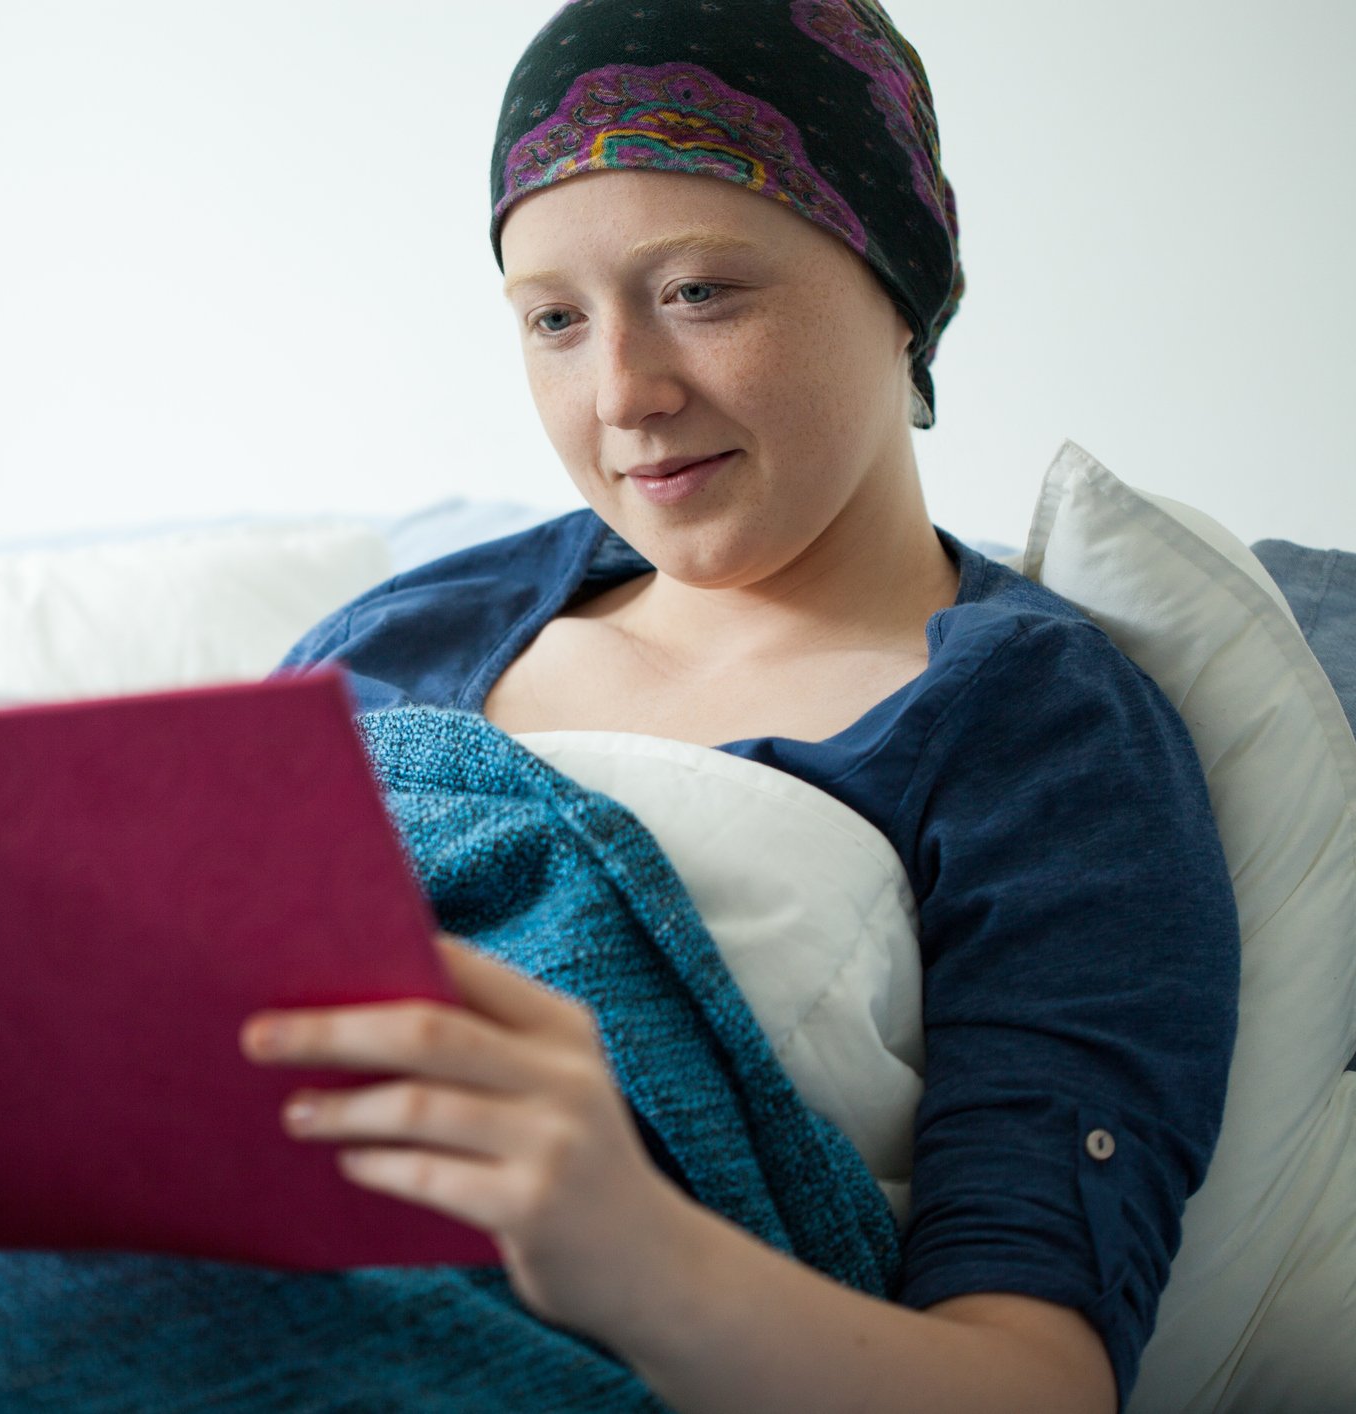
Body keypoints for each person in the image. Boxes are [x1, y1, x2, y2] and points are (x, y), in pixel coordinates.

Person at [237, 2, 1239, 1411]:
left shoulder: (1040, 738)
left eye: (701, 290)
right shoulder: (400, 635)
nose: (625, 393)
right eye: (553, 321)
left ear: (899, 282)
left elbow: (1036, 1380)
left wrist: (630, 1250)